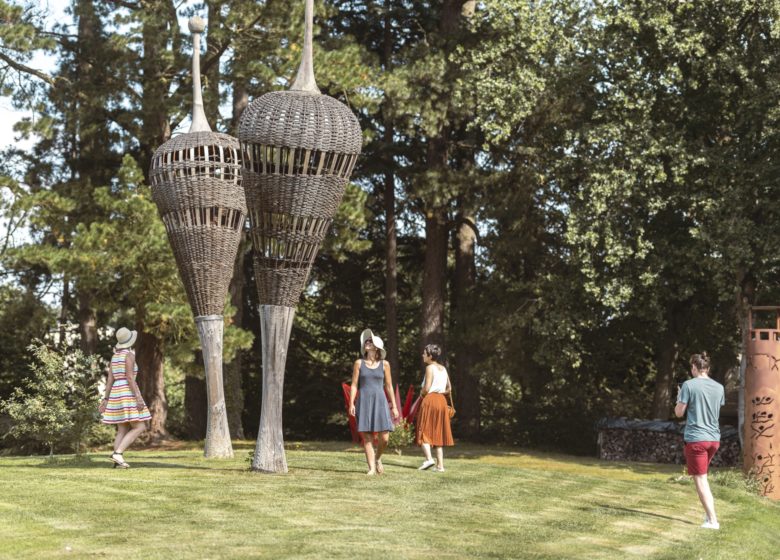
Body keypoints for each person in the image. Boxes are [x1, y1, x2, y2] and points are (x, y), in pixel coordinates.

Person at [675, 352, 725, 530]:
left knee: (701, 480)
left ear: (694, 367)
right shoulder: (719, 387)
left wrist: (679, 397)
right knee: (703, 477)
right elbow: (713, 408)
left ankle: (712, 521)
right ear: (708, 368)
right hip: (714, 440)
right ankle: (709, 514)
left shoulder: (688, 385)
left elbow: (679, 413)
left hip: (696, 439)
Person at [99, 327, 151, 468]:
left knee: (122, 429)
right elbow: (129, 377)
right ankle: (118, 454)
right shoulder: (129, 355)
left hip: (117, 392)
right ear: (130, 341)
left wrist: (106, 399)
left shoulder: (114, 357)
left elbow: (110, 379)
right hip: (127, 392)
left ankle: (117, 461)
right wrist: (138, 397)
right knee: (140, 426)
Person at [349, 328, 399, 475]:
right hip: (363, 401)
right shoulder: (359, 363)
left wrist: (394, 406)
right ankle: (371, 468)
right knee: (367, 437)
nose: (367, 343)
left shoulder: (385, 364)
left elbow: (389, 386)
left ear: (377, 347)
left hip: (380, 401)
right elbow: (353, 385)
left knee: (385, 438)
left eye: (370, 341)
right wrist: (351, 403)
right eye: (366, 341)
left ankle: (377, 458)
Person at [415, 344, 454, 472]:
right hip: (441, 401)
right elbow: (449, 388)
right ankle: (440, 466)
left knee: (423, 429)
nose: (422, 355)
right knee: (438, 432)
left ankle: (428, 459)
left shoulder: (429, 368)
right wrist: (440, 393)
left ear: (430, 356)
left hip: (430, 400)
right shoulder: (443, 368)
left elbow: (426, 388)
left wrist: (421, 394)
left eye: (424, 353)